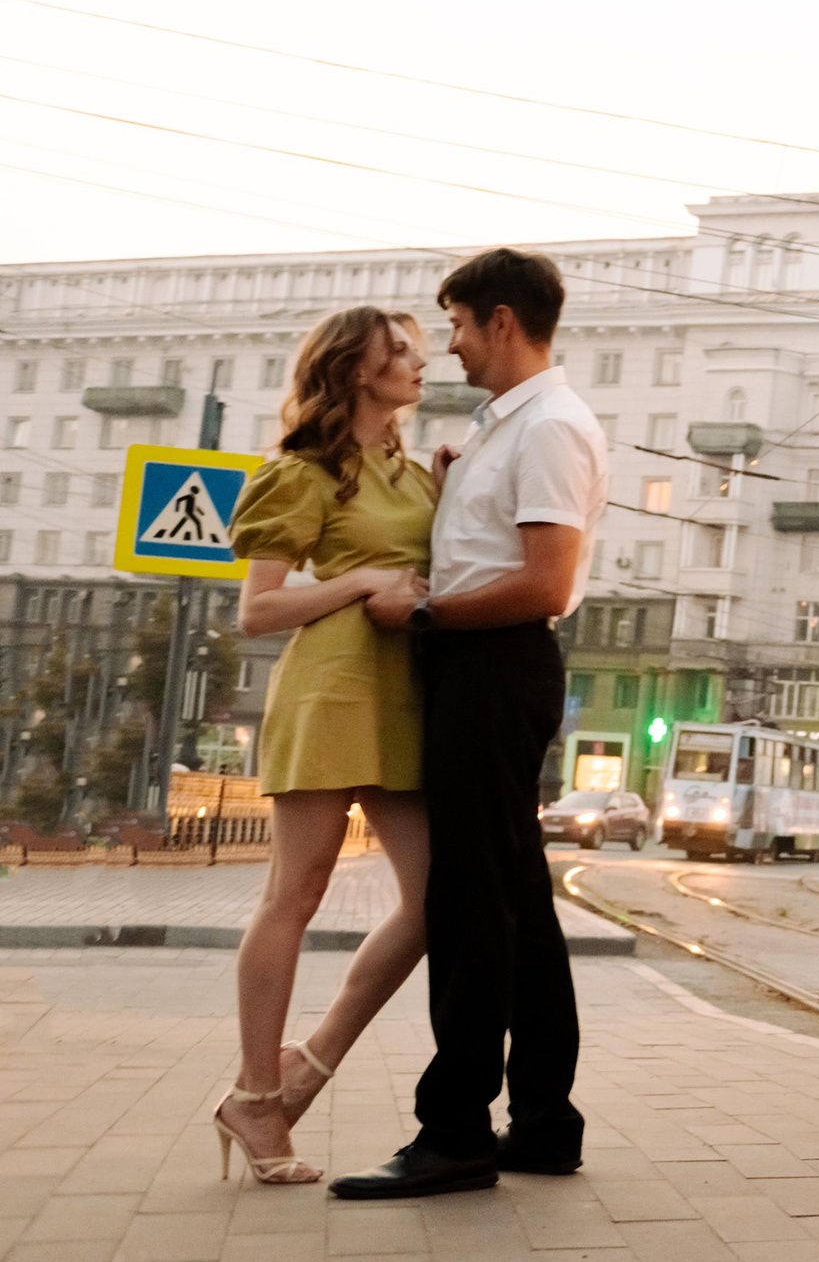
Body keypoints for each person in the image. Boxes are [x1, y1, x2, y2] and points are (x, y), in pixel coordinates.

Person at [330, 248, 609, 1200]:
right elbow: (495, 548)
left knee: (466, 902)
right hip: (479, 670)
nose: (446, 345)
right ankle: (543, 1119)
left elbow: (545, 581)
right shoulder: (503, 429)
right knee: (517, 902)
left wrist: (419, 614)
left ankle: (454, 1131)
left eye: (453, 325)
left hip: (493, 668)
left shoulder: (552, 427)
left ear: (499, 320)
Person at [215, 307, 437, 1185]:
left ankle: (307, 1065)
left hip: (402, 698)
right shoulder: (304, 474)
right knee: (293, 896)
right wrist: (356, 579)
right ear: (355, 370)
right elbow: (257, 609)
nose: (421, 362)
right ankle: (258, 1096)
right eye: (401, 351)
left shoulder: (414, 475)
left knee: (434, 901)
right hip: (328, 692)